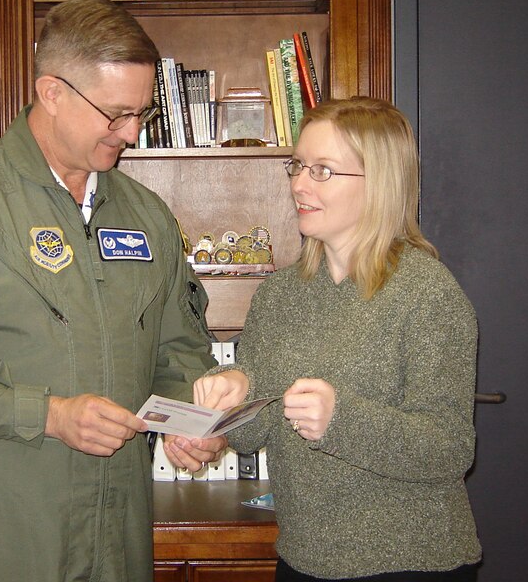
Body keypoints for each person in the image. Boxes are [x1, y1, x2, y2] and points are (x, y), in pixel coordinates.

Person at [0, 0, 224, 582]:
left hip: (114, 539)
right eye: (115, 115)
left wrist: (190, 424)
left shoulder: (148, 216)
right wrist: (49, 415)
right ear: (52, 93)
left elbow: (177, 352)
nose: (131, 134)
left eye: (142, 113)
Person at [193, 97, 482, 581]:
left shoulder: (428, 293)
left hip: (409, 564)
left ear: (381, 183)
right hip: (304, 559)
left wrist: (340, 420)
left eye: (323, 170)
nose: (299, 185)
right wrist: (232, 395)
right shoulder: (279, 294)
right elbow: (252, 434)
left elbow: (451, 448)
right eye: (298, 166)